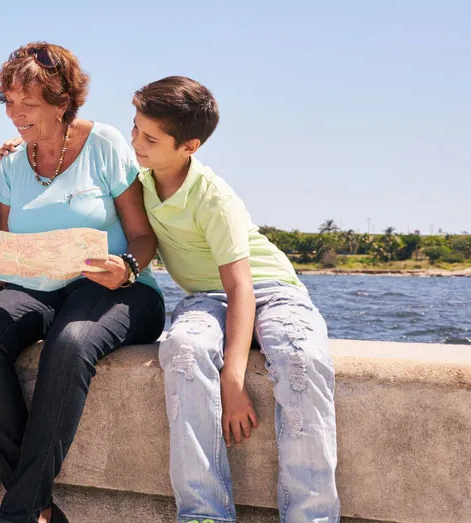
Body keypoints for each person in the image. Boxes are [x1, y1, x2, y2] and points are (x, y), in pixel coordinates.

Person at [0, 42, 166, 523]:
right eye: (9, 102)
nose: (15, 114)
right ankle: (38, 509)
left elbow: (142, 236)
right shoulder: (12, 164)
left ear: (62, 102)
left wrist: (126, 267)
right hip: (38, 288)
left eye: (28, 104)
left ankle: (19, 512)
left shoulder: (106, 145)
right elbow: (15, 258)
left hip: (119, 288)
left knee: (72, 342)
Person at [130, 76, 339, 523]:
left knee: (300, 358)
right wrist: (24, 142)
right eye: (135, 128)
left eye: (150, 137)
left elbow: (241, 287)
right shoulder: (138, 182)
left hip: (269, 290)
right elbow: (86, 137)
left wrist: (232, 379)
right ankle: (203, 513)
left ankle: (312, 517)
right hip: (206, 299)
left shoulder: (213, 196)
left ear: (189, 146)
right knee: (183, 349)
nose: (136, 142)